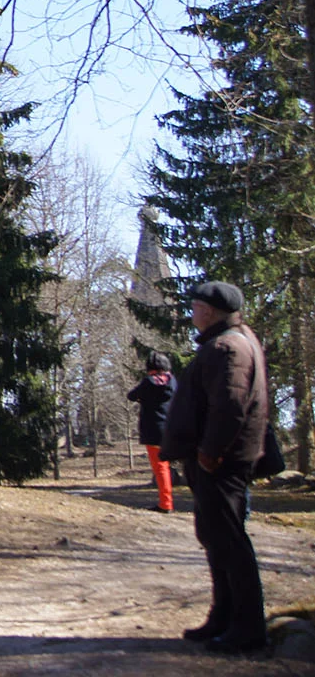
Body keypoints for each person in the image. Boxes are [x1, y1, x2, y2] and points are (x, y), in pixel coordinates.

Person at [159, 280, 270, 654]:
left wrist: (210, 451)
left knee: (229, 541)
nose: (192, 314)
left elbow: (231, 405)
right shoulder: (232, 341)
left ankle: (248, 627)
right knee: (215, 538)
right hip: (215, 459)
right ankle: (223, 616)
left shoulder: (228, 348)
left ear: (207, 310)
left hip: (221, 461)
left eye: (194, 308)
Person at [127, 352, 177, 512]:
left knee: (160, 467)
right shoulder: (173, 381)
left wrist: (144, 398)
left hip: (153, 430)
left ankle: (165, 503)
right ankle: (167, 501)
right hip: (170, 428)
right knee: (167, 467)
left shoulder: (148, 382)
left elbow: (132, 395)